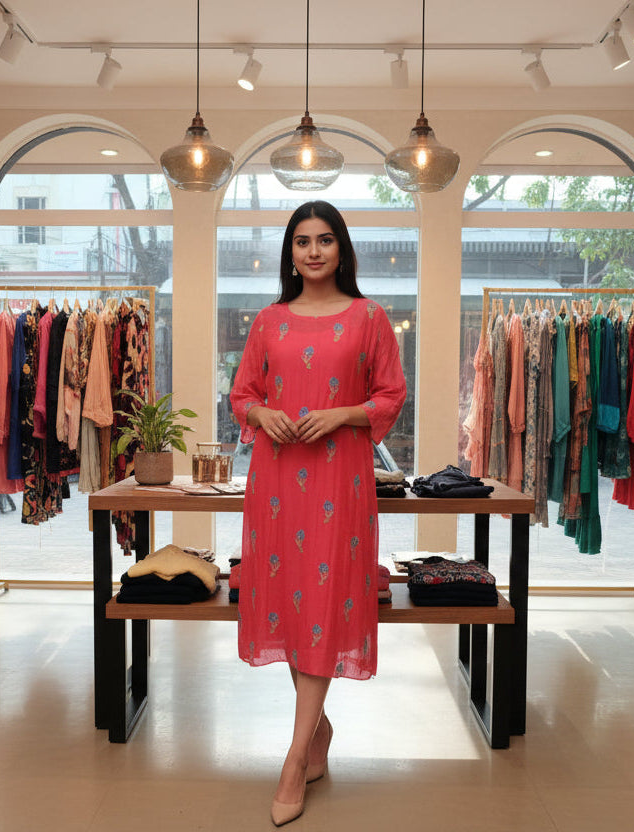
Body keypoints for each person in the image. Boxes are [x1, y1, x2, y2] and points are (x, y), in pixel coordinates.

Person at [230, 200, 406, 826]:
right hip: (276, 480)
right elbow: (242, 393)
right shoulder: (268, 322)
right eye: (302, 241)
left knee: (324, 604)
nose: (313, 251)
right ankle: (318, 733)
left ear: (342, 249)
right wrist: (261, 413)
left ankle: (293, 756)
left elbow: (391, 394)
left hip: (339, 479)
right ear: (290, 252)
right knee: (291, 599)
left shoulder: (369, 318)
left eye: (325, 240)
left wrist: (344, 413)